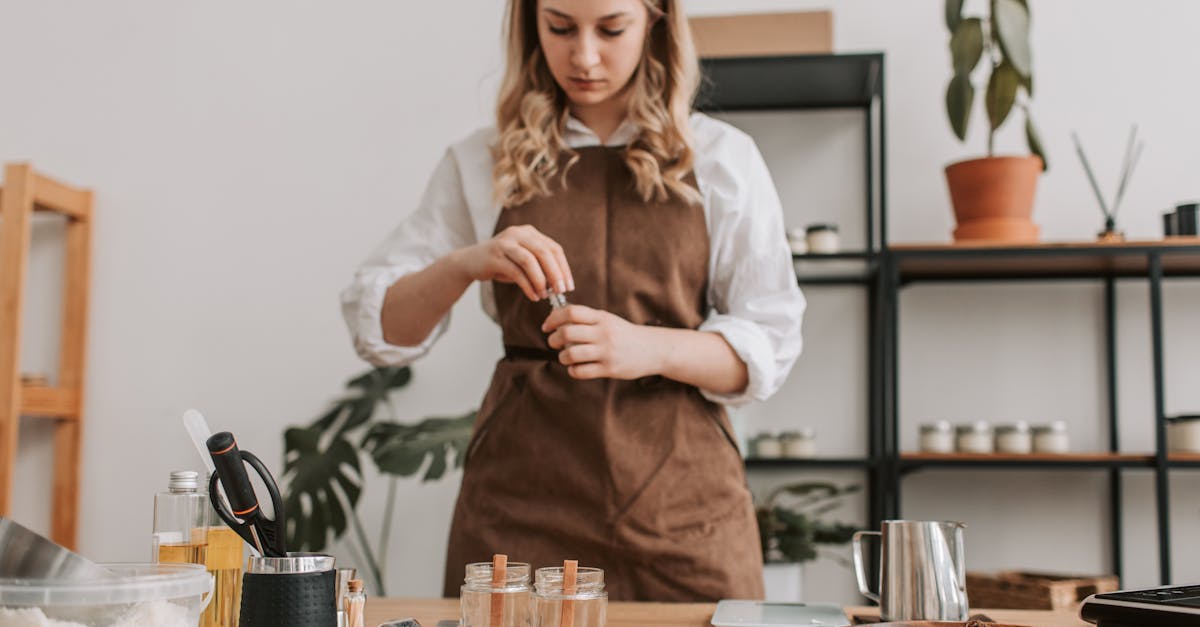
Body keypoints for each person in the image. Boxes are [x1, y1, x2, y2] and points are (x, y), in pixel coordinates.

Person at [341, 0, 804, 602]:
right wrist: (466, 263)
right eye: (559, 27)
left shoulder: (722, 158)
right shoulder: (481, 160)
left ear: (657, 21)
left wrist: (647, 346)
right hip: (521, 507)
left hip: (684, 512)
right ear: (529, 25)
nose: (584, 56)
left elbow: (769, 345)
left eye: (611, 28)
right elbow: (383, 329)